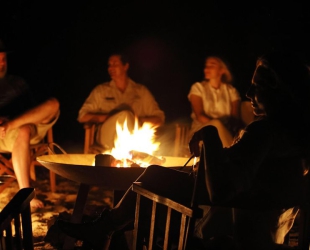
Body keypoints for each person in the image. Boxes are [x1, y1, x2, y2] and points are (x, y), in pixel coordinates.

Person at [57, 50, 310, 250]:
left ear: (279, 89)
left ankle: (108, 229)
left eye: (257, 86)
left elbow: (223, 191)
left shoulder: (265, 132)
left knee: (155, 180)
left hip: (238, 224)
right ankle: (106, 227)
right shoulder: (296, 133)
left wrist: (209, 136)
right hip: (260, 216)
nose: (248, 92)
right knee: (155, 174)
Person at [0, 39, 60, 208]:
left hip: (25, 124)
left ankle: (12, 124)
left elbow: (33, 108)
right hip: (4, 134)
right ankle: (26, 195)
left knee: (53, 104)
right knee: (24, 130)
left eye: (3, 58)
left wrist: (13, 121)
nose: (2, 63)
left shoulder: (17, 82)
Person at [77, 53, 165, 152]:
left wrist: (136, 120)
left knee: (127, 116)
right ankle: (132, 152)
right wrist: (111, 117)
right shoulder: (101, 91)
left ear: (125, 66)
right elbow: (82, 116)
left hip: (135, 135)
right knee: (124, 115)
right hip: (106, 136)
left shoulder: (141, 91)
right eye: (109, 65)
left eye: (115, 64)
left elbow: (159, 118)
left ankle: (128, 155)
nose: (111, 68)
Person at [188, 55, 244, 147]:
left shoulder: (231, 91)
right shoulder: (198, 87)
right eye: (206, 66)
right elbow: (199, 115)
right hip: (202, 131)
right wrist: (218, 126)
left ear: (222, 70)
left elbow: (235, 118)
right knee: (216, 124)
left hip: (227, 131)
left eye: (212, 65)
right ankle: (233, 154)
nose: (207, 68)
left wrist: (226, 128)